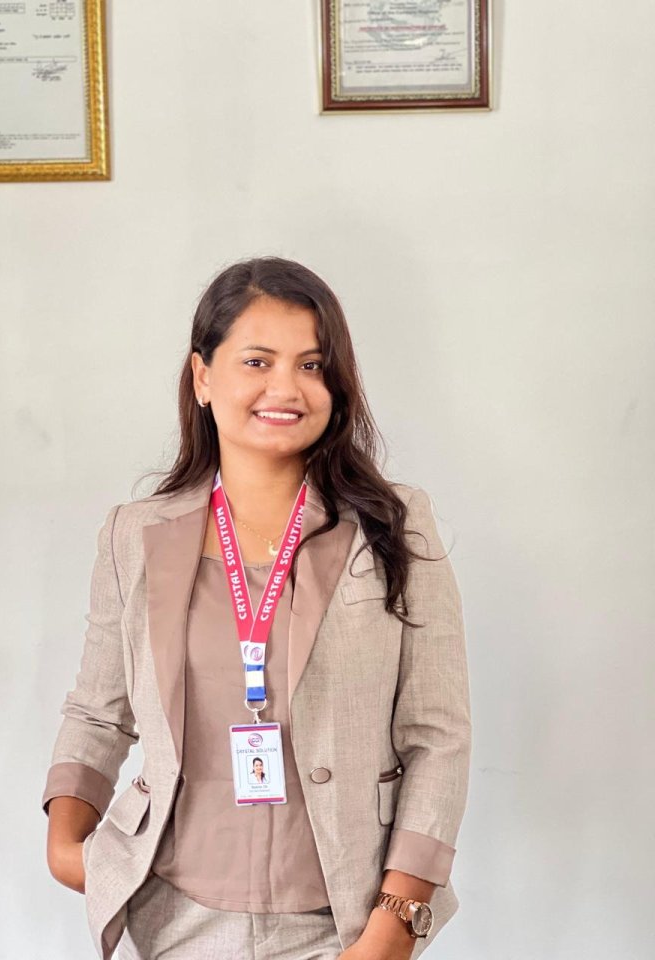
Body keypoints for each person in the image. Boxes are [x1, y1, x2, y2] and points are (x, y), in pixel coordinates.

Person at [42, 257, 471, 960]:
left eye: (312, 365)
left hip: (344, 922)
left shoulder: (396, 526)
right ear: (203, 376)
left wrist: (394, 924)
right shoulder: (134, 535)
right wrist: (66, 847)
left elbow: (438, 735)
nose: (286, 387)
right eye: (257, 361)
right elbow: (98, 711)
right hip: (175, 919)